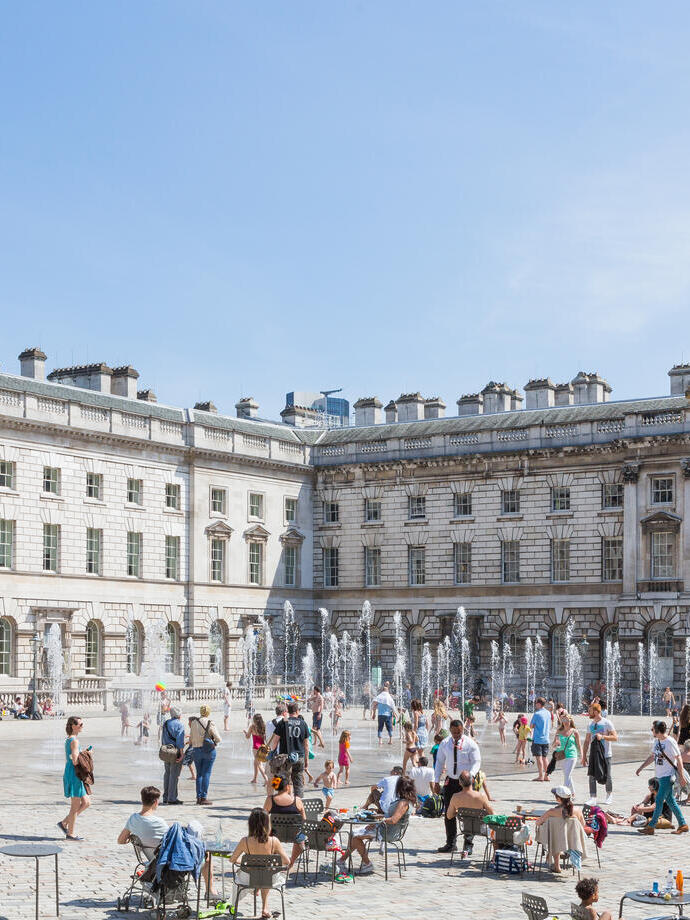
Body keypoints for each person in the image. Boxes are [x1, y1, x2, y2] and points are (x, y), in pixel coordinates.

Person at [337, 776, 416, 876]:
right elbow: (390, 817)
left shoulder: (403, 803)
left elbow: (393, 820)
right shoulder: (406, 801)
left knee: (356, 837)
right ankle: (341, 861)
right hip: (386, 828)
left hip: (388, 832)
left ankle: (366, 863)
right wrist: (377, 816)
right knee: (354, 833)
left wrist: (376, 821)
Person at [433, 718, 481, 853]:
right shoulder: (445, 743)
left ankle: (468, 844)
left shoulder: (470, 744)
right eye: (454, 732)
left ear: (462, 730)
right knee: (449, 812)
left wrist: (469, 775)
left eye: (458, 732)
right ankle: (451, 843)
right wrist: (436, 781)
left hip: (466, 782)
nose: (456, 735)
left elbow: (477, 761)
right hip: (451, 781)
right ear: (450, 730)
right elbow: (439, 762)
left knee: (469, 813)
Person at [230, 808, 289, 919]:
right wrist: (270, 865)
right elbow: (286, 861)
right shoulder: (274, 841)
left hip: (248, 878)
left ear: (250, 824)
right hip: (269, 879)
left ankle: (236, 903)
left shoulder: (245, 841)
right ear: (268, 824)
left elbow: (233, 860)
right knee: (266, 872)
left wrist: (246, 865)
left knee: (254, 874)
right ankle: (265, 907)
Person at [636, 719, 688, 834]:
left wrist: (682, 776)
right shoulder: (657, 741)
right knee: (671, 801)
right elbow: (652, 757)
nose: (651, 731)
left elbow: (678, 758)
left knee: (659, 800)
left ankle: (651, 827)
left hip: (668, 776)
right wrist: (641, 767)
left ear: (658, 730)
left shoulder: (670, 742)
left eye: (652, 729)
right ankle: (683, 824)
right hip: (660, 776)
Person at [534, 786, 589, 874]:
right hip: (573, 840)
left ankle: (556, 865)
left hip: (558, 840)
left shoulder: (552, 811)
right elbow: (582, 825)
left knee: (555, 834)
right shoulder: (577, 810)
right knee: (558, 834)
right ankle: (563, 853)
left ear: (558, 799)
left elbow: (538, 823)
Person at [262, 775, 307, 869]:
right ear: (287, 787)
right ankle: (291, 863)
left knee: (265, 833)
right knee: (301, 836)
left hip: (274, 835)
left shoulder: (270, 800)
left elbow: (263, 818)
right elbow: (304, 821)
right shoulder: (297, 800)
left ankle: (274, 860)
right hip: (294, 836)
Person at [446, 770, 493, 858]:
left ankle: (467, 848)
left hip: (465, 828)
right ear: (473, 781)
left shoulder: (455, 797)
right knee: (496, 830)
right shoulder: (481, 796)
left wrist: (457, 812)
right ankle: (495, 857)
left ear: (459, 782)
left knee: (469, 821)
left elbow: (449, 816)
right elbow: (492, 814)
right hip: (481, 829)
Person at [57, 716, 90, 841]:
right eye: (80, 724)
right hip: (75, 774)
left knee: (86, 803)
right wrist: (86, 755)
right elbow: (75, 760)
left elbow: (72, 756)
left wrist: (83, 753)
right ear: (73, 726)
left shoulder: (70, 739)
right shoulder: (74, 741)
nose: (82, 726)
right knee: (75, 805)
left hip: (71, 772)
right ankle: (70, 833)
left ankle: (64, 822)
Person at [268, 701, 310, 798]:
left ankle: (278, 801)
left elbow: (275, 741)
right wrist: (306, 760)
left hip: (284, 757)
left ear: (288, 711)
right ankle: (298, 804)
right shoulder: (303, 723)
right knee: (298, 784)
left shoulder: (283, 722)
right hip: (299, 757)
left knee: (279, 779)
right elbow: (306, 745)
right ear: (297, 711)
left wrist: (271, 754)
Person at [117, 785, 169, 860]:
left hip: (149, 860)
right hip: (163, 860)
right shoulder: (160, 822)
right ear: (156, 802)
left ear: (142, 800)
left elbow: (121, 840)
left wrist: (131, 838)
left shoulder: (134, 818)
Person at [582, 702, 618, 806]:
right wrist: (584, 756)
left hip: (606, 754)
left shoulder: (607, 723)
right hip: (594, 754)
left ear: (596, 711)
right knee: (591, 775)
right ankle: (593, 797)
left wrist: (603, 737)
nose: (589, 713)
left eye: (590, 711)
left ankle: (609, 794)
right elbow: (587, 740)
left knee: (607, 775)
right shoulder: (590, 724)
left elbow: (615, 737)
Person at [189, 704, 221, 805]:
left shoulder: (194, 722)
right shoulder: (210, 722)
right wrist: (214, 742)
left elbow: (191, 738)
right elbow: (218, 738)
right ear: (208, 712)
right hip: (208, 751)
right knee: (206, 773)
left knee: (199, 774)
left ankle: (198, 797)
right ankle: (203, 797)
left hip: (196, 750)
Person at [161, 705, 185, 805]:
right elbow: (180, 741)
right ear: (179, 715)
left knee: (167, 774)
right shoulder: (180, 725)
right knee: (174, 775)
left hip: (166, 751)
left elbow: (162, 738)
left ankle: (166, 796)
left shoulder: (166, 723)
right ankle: (172, 798)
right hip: (175, 752)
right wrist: (182, 754)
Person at [553, 714, 582, 797]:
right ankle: (572, 793)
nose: (565, 722)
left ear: (570, 720)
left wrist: (583, 757)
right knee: (567, 775)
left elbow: (579, 745)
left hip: (572, 755)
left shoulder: (575, 731)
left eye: (567, 720)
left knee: (567, 775)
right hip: (562, 756)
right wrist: (556, 743)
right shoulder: (559, 731)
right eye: (563, 720)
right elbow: (554, 744)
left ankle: (563, 795)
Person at [530, 698, 551, 782]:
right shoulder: (548, 713)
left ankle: (540, 776)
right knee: (545, 758)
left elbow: (531, 726)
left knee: (539, 758)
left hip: (538, 739)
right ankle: (547, 776)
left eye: (536, 703)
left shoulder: (537, 714)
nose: (535, 705)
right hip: (546, 739)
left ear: (539, 704)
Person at [244, 713, 268, 784]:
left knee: (259, 764)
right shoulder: (264, 726)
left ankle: (266, 779)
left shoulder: (252, 727)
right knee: (255, 763)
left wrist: (245, 733)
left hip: (256, 747)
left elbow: (248, 737)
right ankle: (255, 779)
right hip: (263, 746)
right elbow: (266, 737)